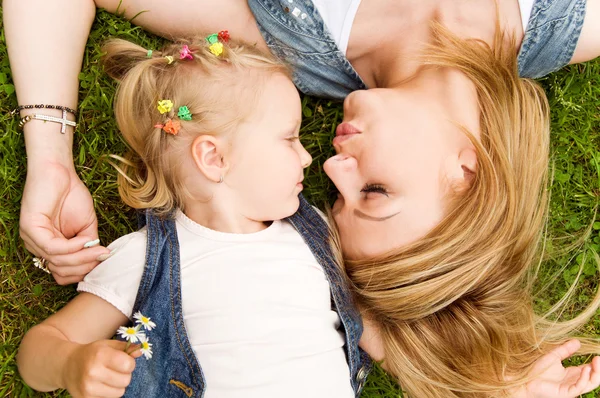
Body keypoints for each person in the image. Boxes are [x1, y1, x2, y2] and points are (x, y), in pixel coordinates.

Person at [5, 0, 600, 396]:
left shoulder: (288, 45)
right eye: (375, 191)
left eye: (338, 201)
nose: (333, 167)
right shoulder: (576, 17)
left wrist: (51, 160)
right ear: (466, 172)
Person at [16, 36, 369, 398]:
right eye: (290, 138)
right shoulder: (150, 259)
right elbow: (37, 352)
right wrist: (70, 363)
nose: (307, 157)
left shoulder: (315, 234)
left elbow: (368, 322)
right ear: (215, 159)